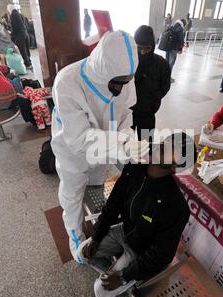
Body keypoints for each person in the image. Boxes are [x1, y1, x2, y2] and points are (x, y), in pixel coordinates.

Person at [51, 31, 150, 263]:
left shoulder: (124, 76)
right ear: (103, 71)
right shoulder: (68, 81)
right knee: (73, 188)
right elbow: (79, 138)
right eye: (117, 82)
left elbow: (125, 112)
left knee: (95, 180)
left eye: (126, 81)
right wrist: (120, 144)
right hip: (71, 147)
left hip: (106, 144)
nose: (121, 87)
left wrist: (129, 140)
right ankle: (74, 233)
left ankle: (97, 221)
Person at [77, 132, 195, 297]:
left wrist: (124, 276)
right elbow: (112, 205)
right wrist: (96, 236)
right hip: (125, 230)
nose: (166, 147)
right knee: (82, 252)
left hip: (142, 250)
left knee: (101, 291)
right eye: (168, 142)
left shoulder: (175, 206)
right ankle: (121, 277)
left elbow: (162, 254)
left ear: (176, 166)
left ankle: (128, 280)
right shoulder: (134, 169)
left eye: (174, 150)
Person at [132, 25, 171, 140]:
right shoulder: (129, 62)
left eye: (147, 48)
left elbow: (165, 86)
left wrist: (153, 98)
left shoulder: (161, 64)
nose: (143, 52)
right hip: (128, 113)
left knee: (145, 145)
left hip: (148, 113)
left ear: (153, 47)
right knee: (125, 144)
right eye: (139, 48)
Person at [165, 18, 186, 83]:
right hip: (173, 48)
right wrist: (180, 49)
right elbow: (181, 40)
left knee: (166, 62)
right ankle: (168, 78)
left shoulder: (173, 26)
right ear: (183, 24)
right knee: (171, 63)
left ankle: (164, 76)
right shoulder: (180, 28)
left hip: (167, 47)